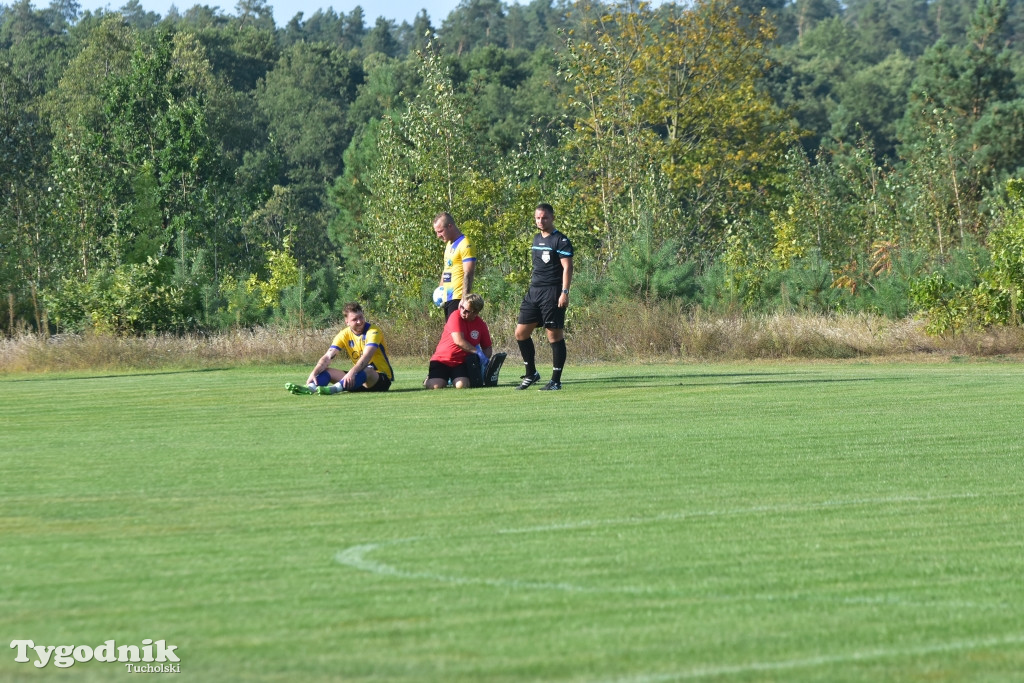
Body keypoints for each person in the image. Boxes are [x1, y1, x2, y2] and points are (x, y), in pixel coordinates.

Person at [514, 202, 574, 391]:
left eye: (544, 217)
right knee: (521, 333)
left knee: (553, 335)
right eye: (538, 218)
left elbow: (567, 267)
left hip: (552, 291)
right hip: (534, 291)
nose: (541, 221)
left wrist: (564, 292)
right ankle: (531, 373)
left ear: (552, 218)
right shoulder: (535, 239)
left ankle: (556, 380)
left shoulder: (561, 241)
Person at [286, 302, 394, 395]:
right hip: (357, 380)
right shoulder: (343, 334)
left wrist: (351, 373)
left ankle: (334, 389)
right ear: (346, 322)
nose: (359, 321)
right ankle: (310, 388)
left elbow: (367, 357)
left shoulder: (373, 331)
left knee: (368, 369)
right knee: (326, 371)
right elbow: (328, 356)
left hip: (380, 380)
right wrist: (314, 372)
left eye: (361, 317)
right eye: (354, 319)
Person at [425, 293, 492, 389]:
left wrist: (482, 360)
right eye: (462, 307)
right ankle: (429, 379)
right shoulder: (455, 316)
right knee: (435, 386)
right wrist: (477, 352)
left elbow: (487, 348)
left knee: (462, 385)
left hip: (461, 362)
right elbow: (459, 341)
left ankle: (451, 378)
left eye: (467, 311)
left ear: (475, 313)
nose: (462, 311)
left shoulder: (481, 325)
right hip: (442, 359)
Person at [433, 212, 476, 320]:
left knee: (455, 335)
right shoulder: (449, 244)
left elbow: (469, 272)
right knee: (450, 333)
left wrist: (464, 299)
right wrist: (440, 291)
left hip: (458, 298)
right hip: (447, 298)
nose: (438, 235)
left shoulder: (465, 243)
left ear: (450, 226)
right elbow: (447, 269)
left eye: (440, 231)